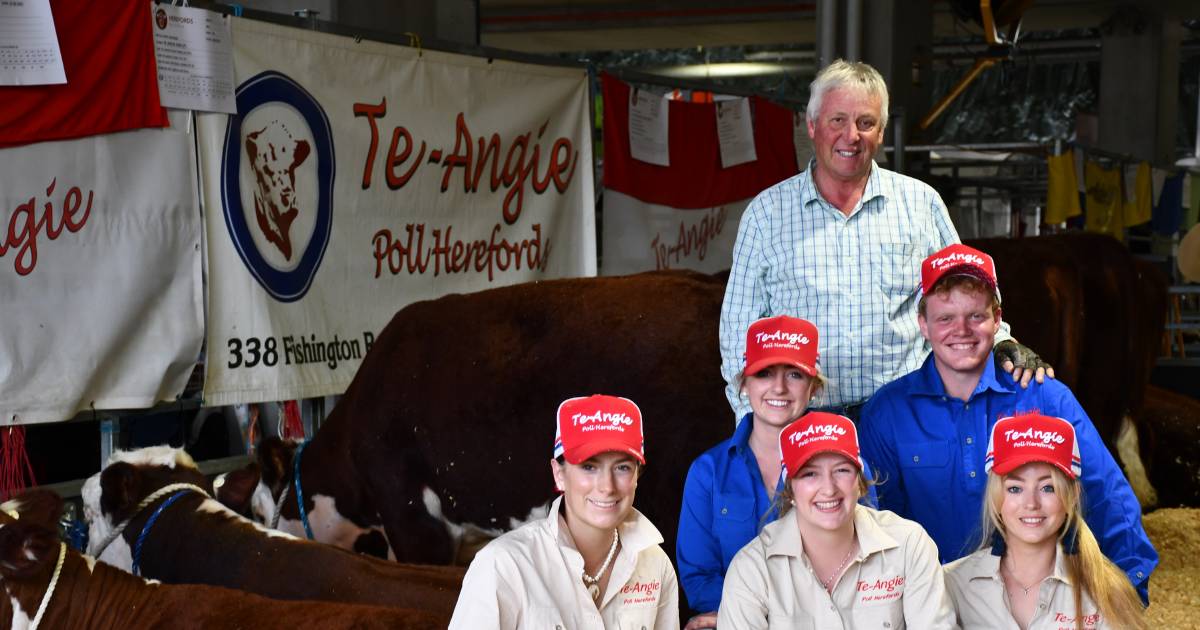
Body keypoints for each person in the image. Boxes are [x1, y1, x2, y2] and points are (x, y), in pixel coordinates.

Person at [718, 58, 1047, 422]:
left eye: (866, 122)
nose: (851, 136)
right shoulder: (766, 214)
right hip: (803, 423)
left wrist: (1002, 343)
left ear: (881, 132)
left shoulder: (920, 204)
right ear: (811, 126)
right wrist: (755, 425)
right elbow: (738, 332)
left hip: (906, 421)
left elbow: (966, 294)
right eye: (837, 120)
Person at [858, 243, 1157, 602]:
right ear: (923, 324)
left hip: (1034, 603)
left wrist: (1129, 585)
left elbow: (1106, 491)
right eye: (945, 318)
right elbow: (874, 525)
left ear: (998, 320)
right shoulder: (888, 412)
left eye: (976, 316)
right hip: (932, 603)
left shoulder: (1044, 397)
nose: (962, 331)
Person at [448, 394, 679, 629]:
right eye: (589, 467)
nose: (607, 487)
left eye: (622, 467)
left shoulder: (656, 565)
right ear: (559, 474)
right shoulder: (503, 565)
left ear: (637, 476)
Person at [718, 411, 956, 629]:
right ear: (790, 491)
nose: (829, 489)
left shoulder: (909, 545)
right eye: (810, 474)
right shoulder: (751, 569)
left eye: (842, 470)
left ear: (860, 483)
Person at [677, 315, 824, 629]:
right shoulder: (708, 472)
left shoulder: (847, 467)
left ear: (813, 386)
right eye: (765, 373)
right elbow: (699, 577)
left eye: (795, 374)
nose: (779, 388)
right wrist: (752, 616)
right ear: (744, 382)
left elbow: (862, 565)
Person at [945, 414, 1148, 630]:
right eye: (1015, 488)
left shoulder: (1108, 593)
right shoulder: (950, 585)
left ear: (1073, 496)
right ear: (995, 497)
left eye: (1048, 488)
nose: (1031, 503)